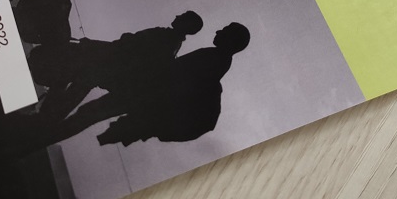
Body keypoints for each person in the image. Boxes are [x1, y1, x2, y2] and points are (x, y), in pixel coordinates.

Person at [54, 22, 250, 146]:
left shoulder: (214, 60)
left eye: (225, 30)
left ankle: (47, 134)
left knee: (88, 114)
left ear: (232, 40)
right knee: (88, 113)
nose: (218, 30)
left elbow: (173, 79)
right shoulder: (215, 59)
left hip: (141, 95)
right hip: (142, 95)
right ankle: (48, 132)